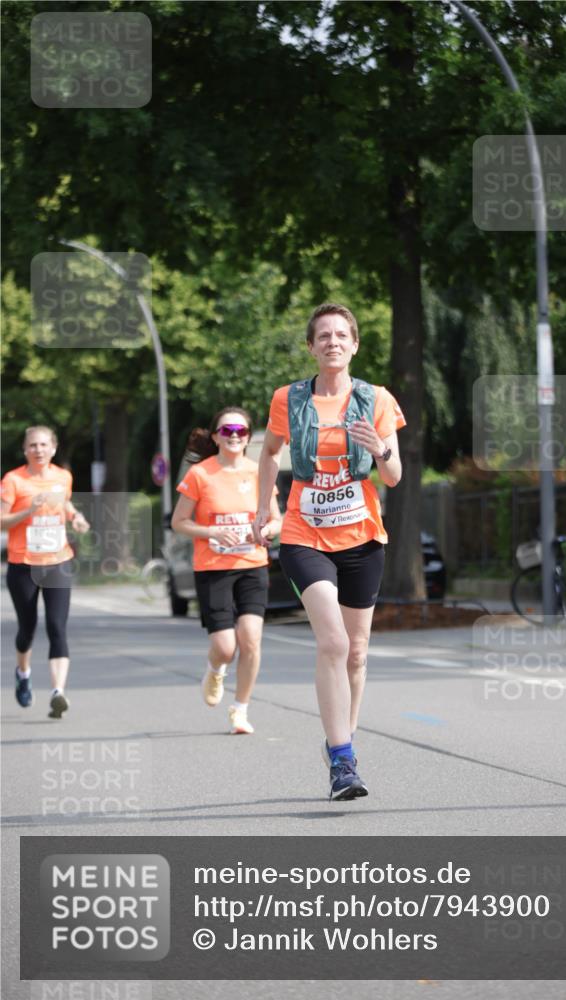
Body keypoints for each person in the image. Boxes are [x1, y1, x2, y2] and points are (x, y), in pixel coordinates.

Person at [253, 303, 405, 800]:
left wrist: (379, 449)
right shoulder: (289, 400)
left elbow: (393, 476)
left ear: (355, 344)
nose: (333, 342)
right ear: (312, 346)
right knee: (334, 644)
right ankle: (342, 763)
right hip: (304, 534)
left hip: (362, 536)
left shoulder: (376, 400)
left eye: (342, 335)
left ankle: (344, 744)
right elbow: (271, 452)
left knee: (357, 654)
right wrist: (265, 510)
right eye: (323, 336)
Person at [172, 406, 282, 734]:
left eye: (240, 432)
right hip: (213, 567)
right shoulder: (200, 475)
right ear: (217, 436)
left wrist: (268, 530)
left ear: (248, 437)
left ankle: (240, 709)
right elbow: (179, 522)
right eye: (227, 431)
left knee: (251, 639)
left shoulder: (259, 472)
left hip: (251, 564)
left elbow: (276, 517)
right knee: (226, 647)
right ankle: (215, 670)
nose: (234, 437)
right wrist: (212, 532)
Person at [1, 425, 89, 718]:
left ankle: (57, 693)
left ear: (53, 448)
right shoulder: (13, 480)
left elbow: (64, 503)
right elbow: (2, 521)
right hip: (23, 564)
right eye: (32, 445)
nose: (38, 450)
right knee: (27, 628)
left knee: (57, 626)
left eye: (43, 445)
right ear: (25, 450)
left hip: (57, 561)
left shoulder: (63, 477)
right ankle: (23, 673)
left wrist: (76, 517)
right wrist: (28, 511)